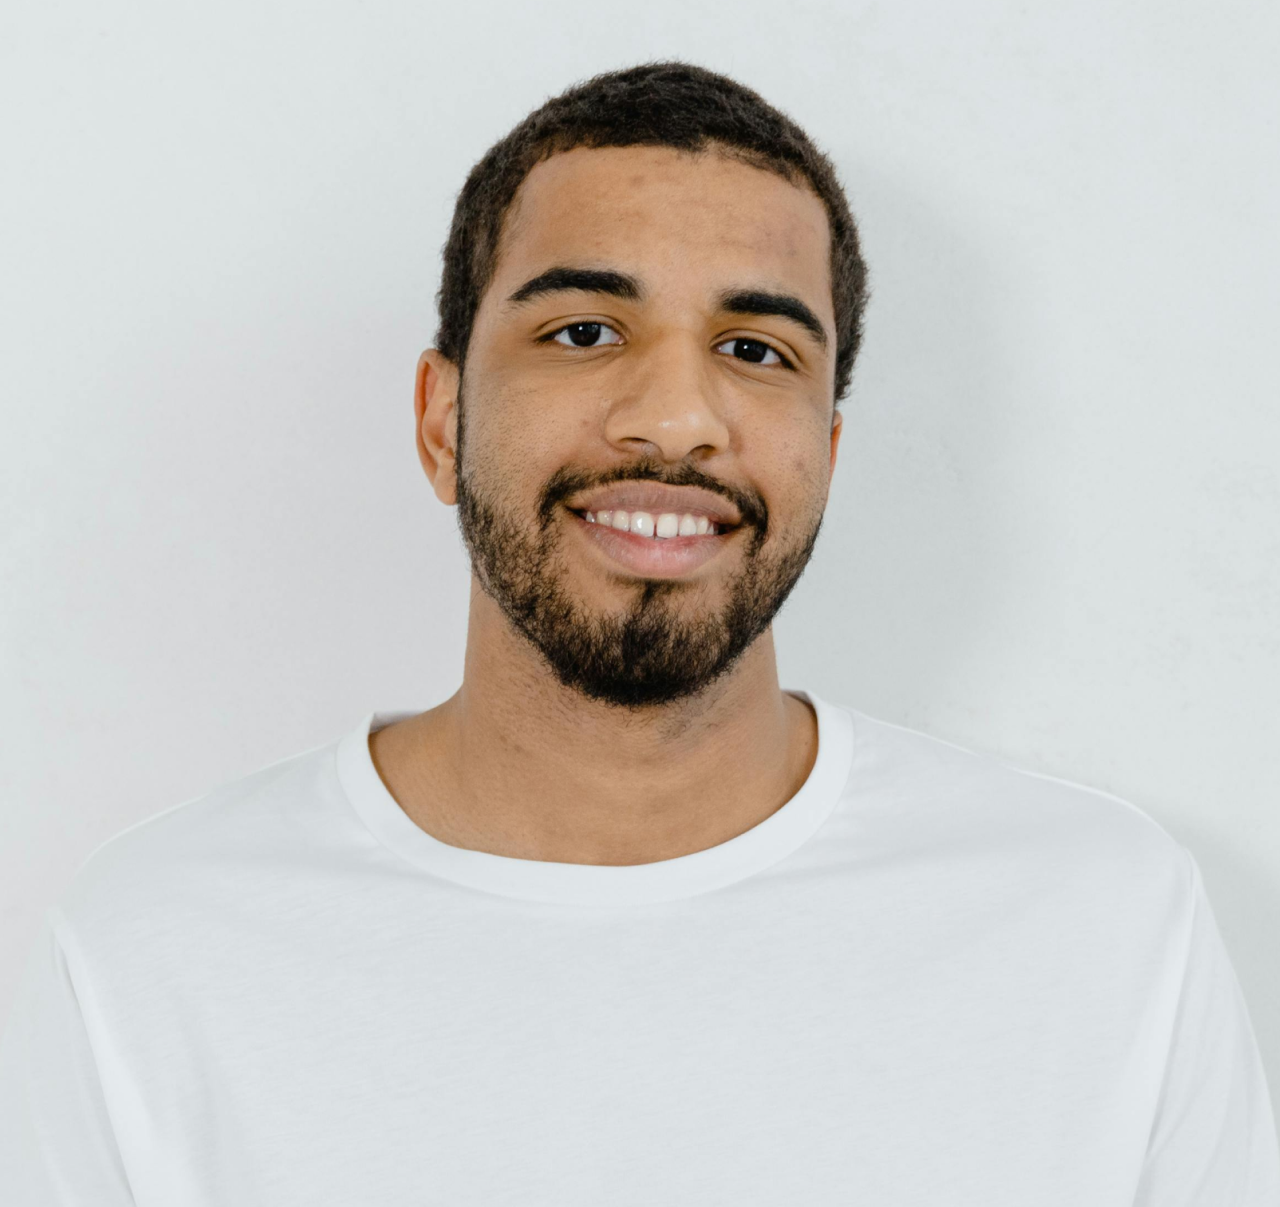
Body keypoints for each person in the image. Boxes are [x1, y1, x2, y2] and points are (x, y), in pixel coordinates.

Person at [1, 62, 1276, 1206]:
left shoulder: (1102, 921)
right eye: (582, 331)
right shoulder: (152, 950)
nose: (676, 417)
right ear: (442, 421)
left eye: (755, 348)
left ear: (825, 451)